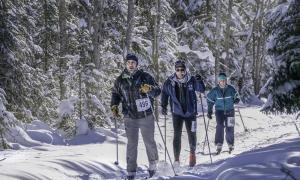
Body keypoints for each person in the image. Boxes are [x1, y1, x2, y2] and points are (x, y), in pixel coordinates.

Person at [110, 53, 161, 179]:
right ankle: (131, 172)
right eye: (129, 62)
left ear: (137, 64)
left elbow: (158, 90)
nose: (131, 65)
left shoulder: (145, 76)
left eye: (133, 62)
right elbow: (115, 94)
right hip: (130, 116)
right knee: (132, 144)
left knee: (149, 141)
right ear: (126, 64)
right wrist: (114, 106)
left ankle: (153, 165)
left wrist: (149, 89)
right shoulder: (120, 79)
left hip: (145, 115)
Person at [161, 60, 205, 167]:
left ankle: (192, 154)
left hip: (191, 113)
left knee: (192, 134)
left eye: (182, 69)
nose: (180, 72)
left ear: (185, 70)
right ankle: (176, 160)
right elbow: (165, 93)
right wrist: (163, 106)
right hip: (177, 113)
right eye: (178, 69)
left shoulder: (192, 80)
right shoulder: (169, 82)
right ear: (175, 70)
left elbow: (201, 89)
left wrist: (199, 81)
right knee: (177, 135)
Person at [206, 72, 240, 154]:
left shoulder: (231, 89)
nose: (223, 82)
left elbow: (236, 95)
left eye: (224, 80)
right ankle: (219, 144)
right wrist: (209, 111)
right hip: (219, 112)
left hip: (230, 111)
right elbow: (210, 100)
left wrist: (236, 99)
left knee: (230, 128)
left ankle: (231, 144)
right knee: (220, 126)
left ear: (226, 81)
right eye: (221, 80)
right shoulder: (215, 91)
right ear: (219, 81)